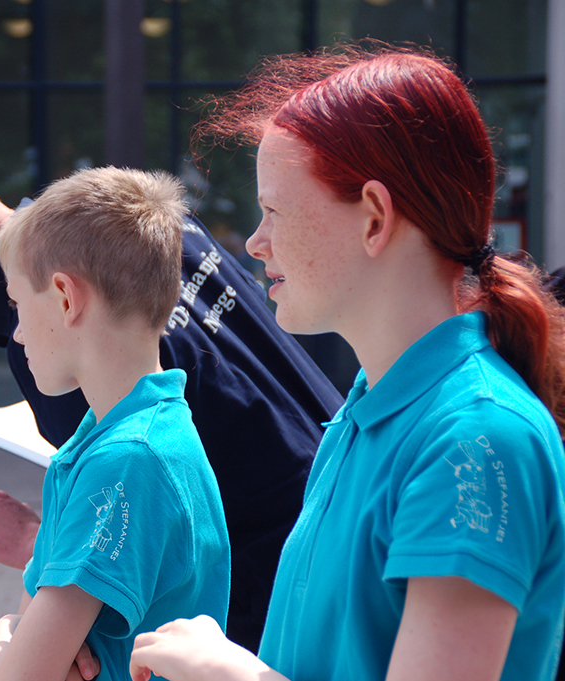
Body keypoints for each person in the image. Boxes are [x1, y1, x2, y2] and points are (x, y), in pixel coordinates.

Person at [0, 104, 344, 651]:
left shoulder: (51, 336)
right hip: (340, 523)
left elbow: (136, 505)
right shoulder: (122, 220)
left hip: (276, 608)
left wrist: (42, 553)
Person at [129, 43, 565, 681]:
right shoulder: (370, 406)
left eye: (275, 210)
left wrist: (229, 673)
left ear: (373, 219)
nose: (256, 241)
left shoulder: (476, 438)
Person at [0, 166, 230, 681]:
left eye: (18, 305)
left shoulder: (126, 458)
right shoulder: (123, 437)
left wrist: (3, 632)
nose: (19, 333)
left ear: (67, 298)